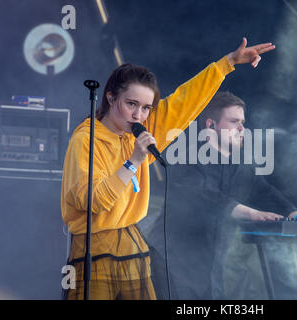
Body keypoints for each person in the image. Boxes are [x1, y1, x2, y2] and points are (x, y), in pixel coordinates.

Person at [60, 38, 276, 300]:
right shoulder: (86, 140)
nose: (139, 115)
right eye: (131, 104)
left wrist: (227, 63)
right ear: (110, 97)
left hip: (131, 244)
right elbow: (93, 200)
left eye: (146, 108)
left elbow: (184, 101)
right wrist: (134, 162)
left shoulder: (140, 130)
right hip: (93, 248)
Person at [145, 91, 297, 300]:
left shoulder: (240, 164)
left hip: (211, 271)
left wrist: (296, 216)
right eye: (234, 122)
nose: (241, 129)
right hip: (172, 265)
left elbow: (263, 190)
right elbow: (201, 195)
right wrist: (249, 212)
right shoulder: (186, 157)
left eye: (243, 122)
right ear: (211, 126)